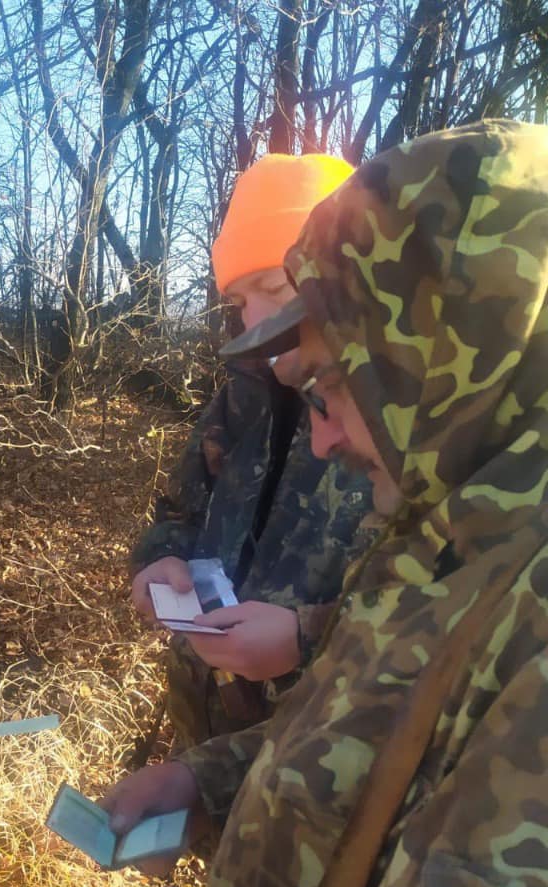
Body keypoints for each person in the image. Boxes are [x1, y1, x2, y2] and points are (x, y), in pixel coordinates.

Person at [51, 119, 548, 887]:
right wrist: (204, 774)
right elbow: (355, 729)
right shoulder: (446, 531)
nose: (316, 421)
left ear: (439, 350)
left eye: (333, 377)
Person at [130, 153, 372, 750]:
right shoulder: (242, 396)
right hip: (211, 722)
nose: (256, 322)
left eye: (272, 286)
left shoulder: (389, 409)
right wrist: (159, 562)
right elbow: (180, 513)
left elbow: (436, 606)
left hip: (324, 739)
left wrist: (305, 637)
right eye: (239, 301)